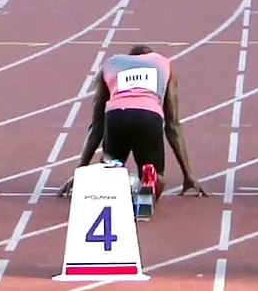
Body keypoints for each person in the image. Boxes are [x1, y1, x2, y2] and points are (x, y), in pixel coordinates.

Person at [58, 45, 207, 198]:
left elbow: (97, 126)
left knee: (109, 171)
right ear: (149, 54)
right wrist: (188, 174)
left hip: (117, 117)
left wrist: (80, 171)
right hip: (148, 118)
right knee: (156, 178)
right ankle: (147, 183)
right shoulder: (163, 63)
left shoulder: (111, 64)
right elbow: (172, 124)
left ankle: (117, 176)